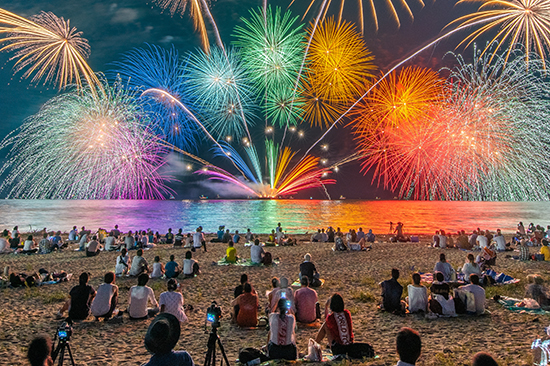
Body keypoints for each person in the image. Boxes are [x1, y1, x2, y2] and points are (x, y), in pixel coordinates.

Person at [315, 293, 374, 358]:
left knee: (325, 325)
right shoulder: (347, 313)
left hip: (338, 349)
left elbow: (327, 319)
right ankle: (316, 343)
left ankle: (315, 344)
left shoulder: (331, 317)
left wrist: (326, 307)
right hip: (349, 346)